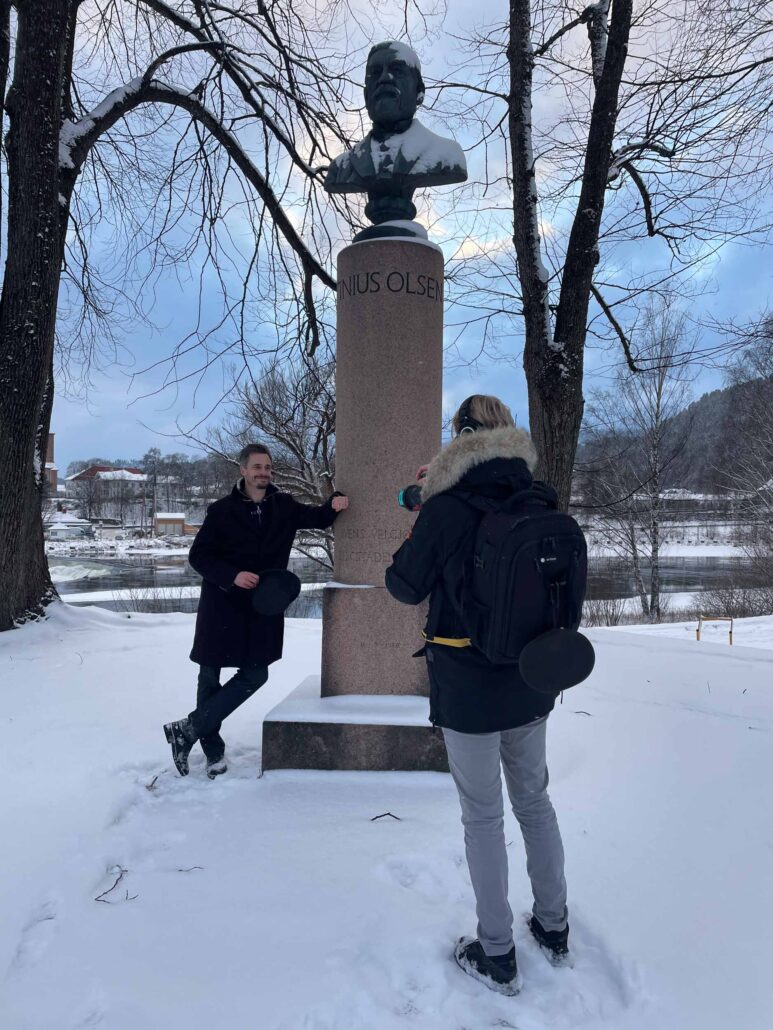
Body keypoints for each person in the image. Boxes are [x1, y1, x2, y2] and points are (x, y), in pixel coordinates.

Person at [385, 395, 569, 996]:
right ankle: (554, 927)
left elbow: (402, 585)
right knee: (535, 803)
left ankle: (496, 953)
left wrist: (426, 513)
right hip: (531, 677)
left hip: (467, 683)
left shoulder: (445, 507)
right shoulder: (538, 497)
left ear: (461, 436)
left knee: (484, 816)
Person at [163, 444, 349, 778]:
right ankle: (213, 750)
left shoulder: (284, 505)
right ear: (243, 470)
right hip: (222, 605)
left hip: (262, 607)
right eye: (257, 467)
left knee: (256, 674)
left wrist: (334, 503)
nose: (264, 472)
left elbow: (318, 517)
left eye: (267, 467)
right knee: (210, 675)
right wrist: (232, 575)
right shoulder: (221, 511)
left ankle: (187, 729)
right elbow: (199, 557)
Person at [325, 40, 467, 229]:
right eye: (375, 73)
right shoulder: (341, 168)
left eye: (397, 71)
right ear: (366, 95)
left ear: (419, 93)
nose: (384, 78)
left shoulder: (448, 157)